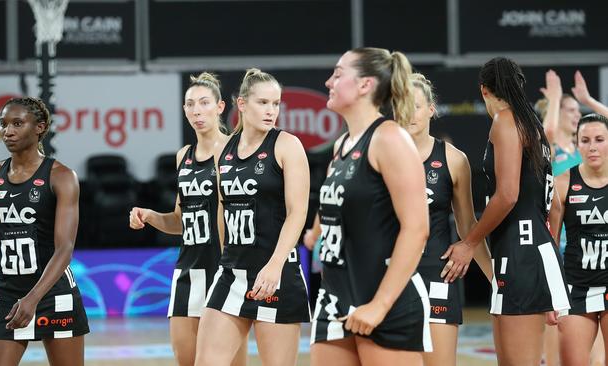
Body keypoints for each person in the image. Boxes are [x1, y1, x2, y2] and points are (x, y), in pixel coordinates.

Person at [310, 47, 431, 366]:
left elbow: (417, 229)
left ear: (365, 85)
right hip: (335, 297)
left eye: (338, 74)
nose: (328, 82)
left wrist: (379, 305)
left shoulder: (390, 138)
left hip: (383, 300)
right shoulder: (341, 145)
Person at [451, 57, 570, 365]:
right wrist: (548, 258)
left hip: (520, 255)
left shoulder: (506, 120)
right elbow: (555, 205)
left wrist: (469, 242)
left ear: (484, 90)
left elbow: (507, 195)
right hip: (528, 254)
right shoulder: (535, 127)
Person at [194, 68, 311, 366]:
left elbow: (298, 212)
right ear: (242, 104)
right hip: (232, 273)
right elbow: (223, 208)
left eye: (276, 103)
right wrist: (225, 257)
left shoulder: (287, 144)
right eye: (263, 103)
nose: (271, 111)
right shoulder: (226, 150)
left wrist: (274, 265)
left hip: (275, 273)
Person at [129, 72, 246, 366]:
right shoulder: (184, 155)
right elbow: (181, 220)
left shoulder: (236, 150)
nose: (196, 110)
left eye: (204, 103)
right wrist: (150, 215)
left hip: (224, 269)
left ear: (220, 107)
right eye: (190, 104)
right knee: (186, 360)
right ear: (184, 110)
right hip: (188, 270)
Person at [0, 97, 89, 366]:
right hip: (6, 294)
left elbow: (65, 249)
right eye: (3, 124)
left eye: (17, 123)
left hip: (54, 294)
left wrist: (33, 299)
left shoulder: (61, 176)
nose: (7, 131)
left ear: (40, 127)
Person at [407, 73, 493, 366]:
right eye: (402, 105)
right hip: (386, 275)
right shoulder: (377, 155)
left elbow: (468, 226)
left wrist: (497, 281)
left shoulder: (453, 159)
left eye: (416, 105)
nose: (409, 113)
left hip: (435, 273)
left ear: (431, 108)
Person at [549, 113, 608, 366]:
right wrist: (550, 294)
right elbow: (550, 244)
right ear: (577, 143)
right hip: (576, 287)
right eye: (585, 140)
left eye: (599, 139)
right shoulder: (562, 183)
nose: (592, 146)